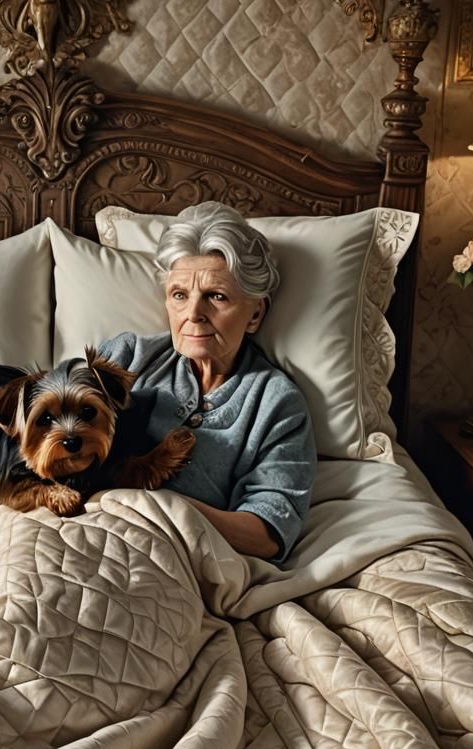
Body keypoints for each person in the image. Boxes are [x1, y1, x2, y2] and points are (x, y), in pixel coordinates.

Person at [98, 202, 316, 562]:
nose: (193, 314)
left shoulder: (276, 402)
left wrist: (157, 509)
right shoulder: (126, 358)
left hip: (172, 559)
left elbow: (268, 533)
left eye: (216, 296)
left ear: (255, 313)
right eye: (180, 295)